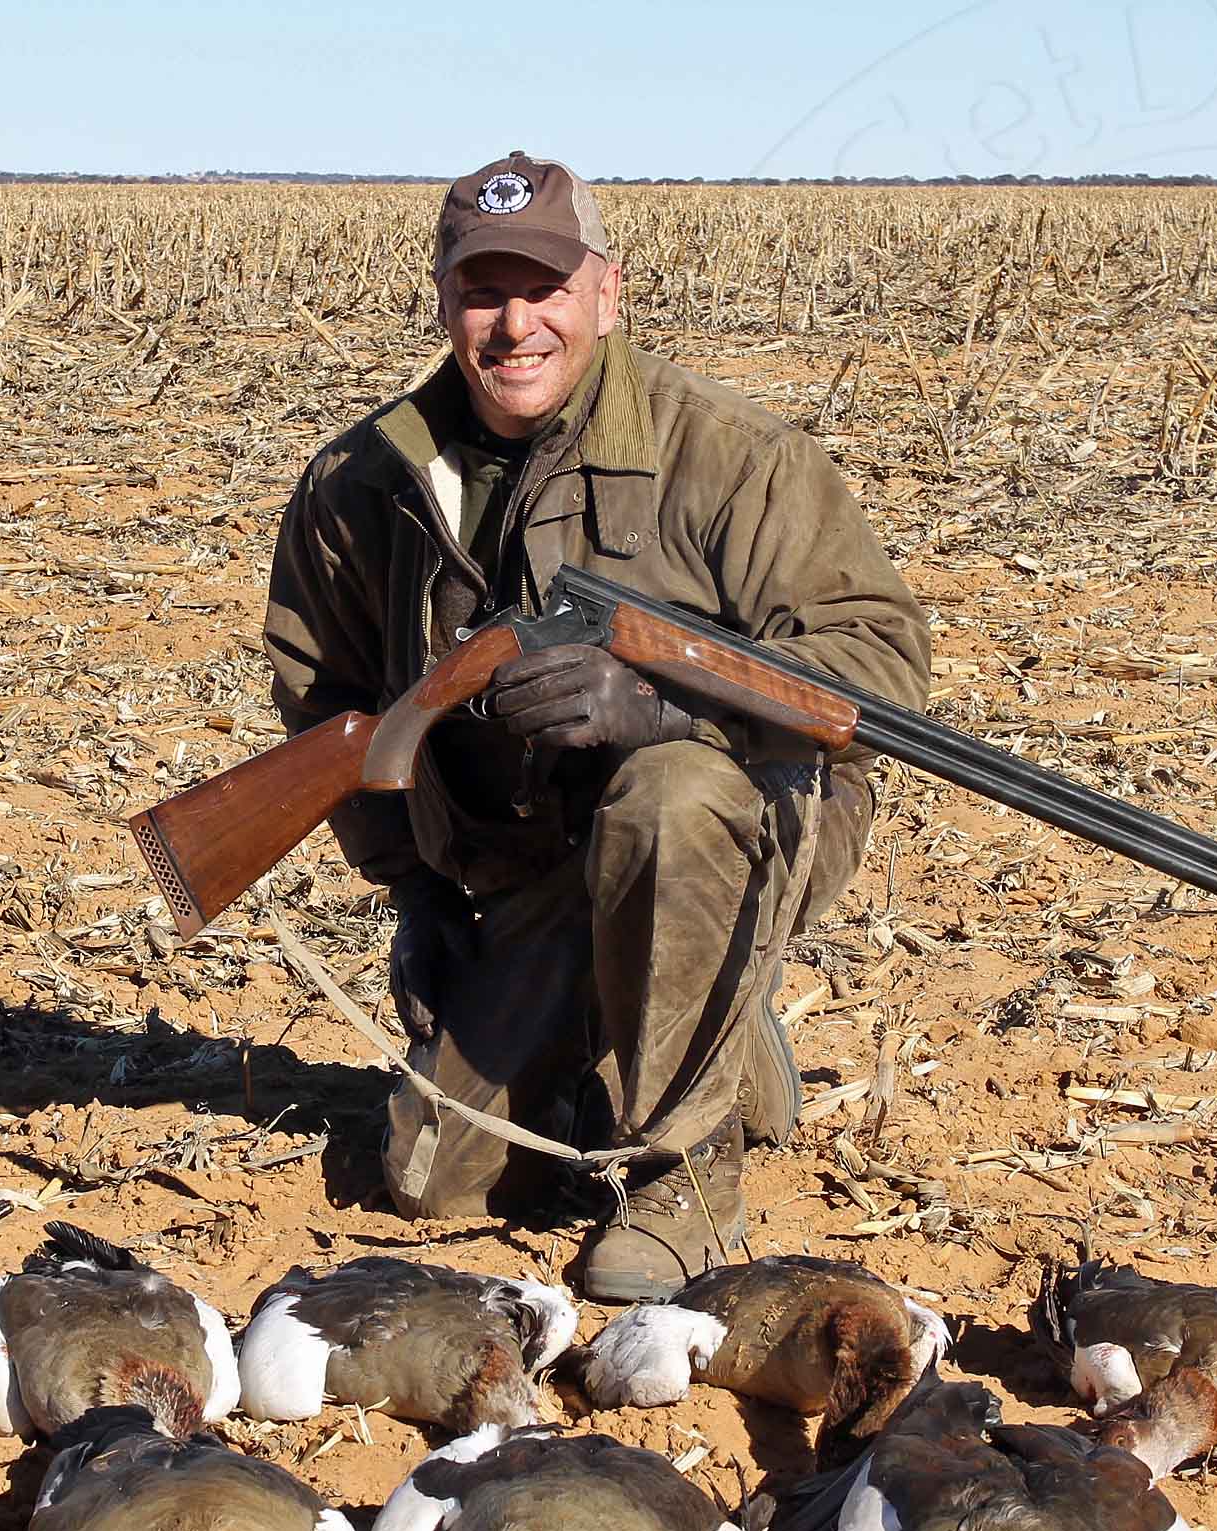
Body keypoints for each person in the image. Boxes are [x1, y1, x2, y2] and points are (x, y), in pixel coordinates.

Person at [263, 151, 929, 1303]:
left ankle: (683, 1168)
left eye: (547, 290)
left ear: (607, 294)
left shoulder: (733, 458)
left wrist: (662, 704)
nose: (516, 325)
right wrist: (414, 893)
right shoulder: (365, 483)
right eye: (484, 293)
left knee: (670, 792)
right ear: (442, 301)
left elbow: (881, 675)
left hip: (726, 834)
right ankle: (701, 1039)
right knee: (433, 1182)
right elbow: (328, 697)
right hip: (523, 866)